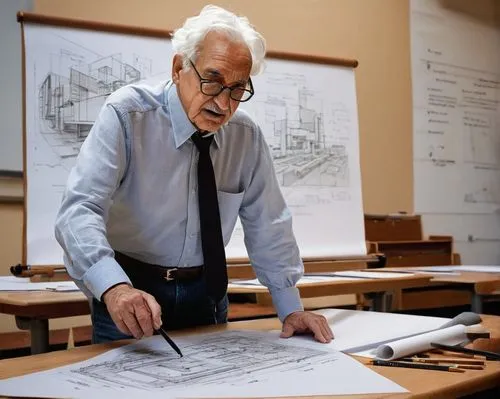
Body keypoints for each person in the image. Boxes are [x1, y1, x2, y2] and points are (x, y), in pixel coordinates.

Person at [55, 4, 333, 345]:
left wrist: (291, 308)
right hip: (133, 294)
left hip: (208, 293)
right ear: (178, 68)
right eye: (212, 81)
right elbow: (79, 210)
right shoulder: (127, 115)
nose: (224, 103)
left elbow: (269, 223)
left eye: (237, 90)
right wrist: (115, 289)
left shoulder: (245, 137)